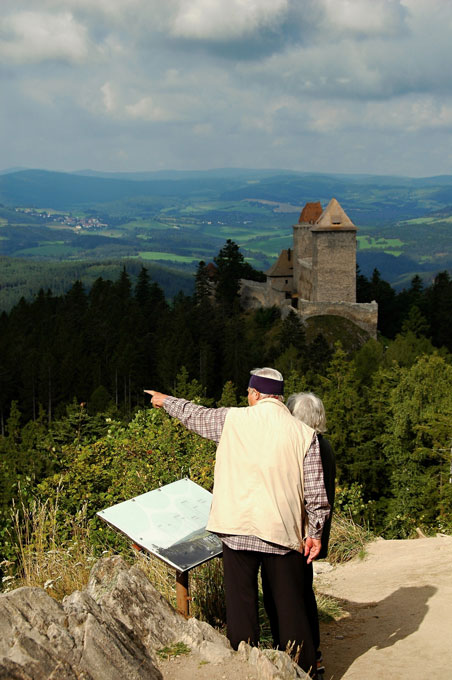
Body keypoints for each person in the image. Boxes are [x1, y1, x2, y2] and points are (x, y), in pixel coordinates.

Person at [146, 368, 330, 679]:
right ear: (279, 396)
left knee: (241, 607)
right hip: (282, 533)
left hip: (235, 530)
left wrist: (166, 401)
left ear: (256, 394)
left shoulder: (230, 420)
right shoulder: (303, 434)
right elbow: (315, 493)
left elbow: (194, 415)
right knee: (289, 609)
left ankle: (246, 668)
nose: (246, 397)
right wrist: (315, 533)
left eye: (248, 392)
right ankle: (304, 670)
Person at [285, 392, 336, 678]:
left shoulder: (308, 446)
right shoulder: (323, 444)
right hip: (313, 533)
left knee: (298, 594)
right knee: (304, 591)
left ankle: (309, 656)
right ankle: (313, 654)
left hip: (302, 534)